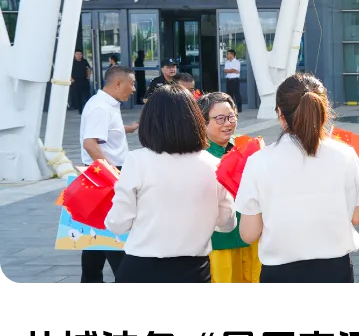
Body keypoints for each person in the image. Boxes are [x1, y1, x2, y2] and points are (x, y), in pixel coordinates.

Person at [234, 73, 359, 286]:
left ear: (280, 113)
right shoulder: (346, 154)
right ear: (323, 111)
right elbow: (356, 217)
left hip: (280, 274)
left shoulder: (258, 161)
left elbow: (248, 234)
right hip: (335, 271)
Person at [105, 84, 236, 286]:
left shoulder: (137, 160)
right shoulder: (214, 164)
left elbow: (118, 223)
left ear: (150, 122)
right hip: (194, 271)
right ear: (195, 120)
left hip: (141, 269)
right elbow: (227, 224)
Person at [79, 65, 138, 287]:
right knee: (114, 236)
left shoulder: (107, 105)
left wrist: (128, 128)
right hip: (105, 175)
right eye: (132, 83)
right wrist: (113, 174)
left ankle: (91, 282)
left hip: (103, 173)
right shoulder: (100, 107)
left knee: (95, 240)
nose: (134, 89)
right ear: (118, 83)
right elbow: (90, 144)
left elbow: (105, 133)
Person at [198, 91, 262, 284]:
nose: (227, 123)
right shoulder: (198, 155)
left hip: (252, 235)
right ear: (202, 122)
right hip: (220, 241)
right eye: (220, 119)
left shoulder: (246, 146)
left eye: (231, 117)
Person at [70, 49, 92, 114]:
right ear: (75, 55)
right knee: (78, 96)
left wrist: (88, 77)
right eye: (77, 54)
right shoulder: (72, 62)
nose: (79, 55)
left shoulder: (84, 61)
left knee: (86, 96)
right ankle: (80, 110)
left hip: (84, 81)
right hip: (76, 82)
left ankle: (89, 109)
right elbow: (68, 71)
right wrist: (71, 79)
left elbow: (88, 68)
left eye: (80, 54)